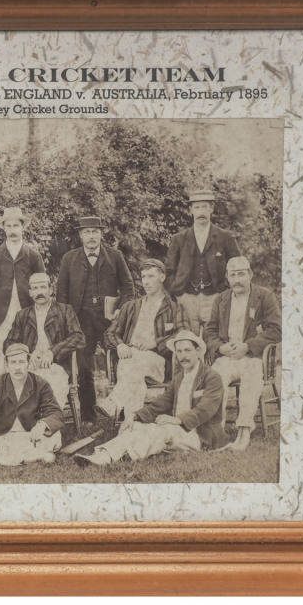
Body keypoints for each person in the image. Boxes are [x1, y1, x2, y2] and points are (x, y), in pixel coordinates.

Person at [74, 330, 227, 466]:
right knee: (138, 426)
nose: (183, 356)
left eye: (187, 350)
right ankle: (103, 455)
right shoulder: (180, 377)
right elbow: (162, 403)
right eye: (179, 351)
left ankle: (129, 456)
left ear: (198, 351)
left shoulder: (211, 377)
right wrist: (135, 415)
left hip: (200, 436)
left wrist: (178, 419)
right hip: (177, 431)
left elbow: (207, 409)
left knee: (162, 429)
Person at [56, 216, 135, 422]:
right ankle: (89, 415)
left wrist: (122, 311)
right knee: (84, 366)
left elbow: (128, 288)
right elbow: (62, 293)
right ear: (80, 235)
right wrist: (68, 319)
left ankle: (123, 410)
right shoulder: (69, 258)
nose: (91, 236)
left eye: (95, 232)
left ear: (101, 234)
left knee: (120, 362)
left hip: (110, 322)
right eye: (87, 232)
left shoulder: (115, 256)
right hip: (81, 321)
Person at [204, 256, 282, 451]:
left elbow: (276, 329)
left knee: (252, 375)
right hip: (226, 357)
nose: (237, 279)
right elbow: (210, 331)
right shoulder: (221, 299)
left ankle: (244, 429)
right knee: (214, 377)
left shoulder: (264, 296)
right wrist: (219, 348)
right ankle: (216, 429)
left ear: (250, 274)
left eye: (241, 274)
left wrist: (248, 346)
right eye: (233, 275)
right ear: (228, 278)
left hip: (252, 357)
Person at [99, 258, 189, 419]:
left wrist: (156, 343)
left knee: (134, 363)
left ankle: (113, 402)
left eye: (151, 277)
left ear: (162, 278)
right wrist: (120, 346)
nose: (146, 282)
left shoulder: (174, 308)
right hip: (130, 359)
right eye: (143, 277)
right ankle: (132, 425)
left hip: (157, 361)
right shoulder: (131, 307)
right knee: (135, 378)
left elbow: (183, 334)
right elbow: (109, 334)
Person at [0, 344, 65, 467]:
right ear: (6, 365)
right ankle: (33, 457)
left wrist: (42, 425)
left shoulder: (41, 384)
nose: (17, 367)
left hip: (29, 436)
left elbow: (56, 412)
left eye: (21, 362)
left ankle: (3, 460)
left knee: (55, 436)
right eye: (13, 362)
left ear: (28, 363)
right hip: (2, 436)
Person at [164, 189, 241, 336]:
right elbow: (169, 270)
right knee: (188, 340)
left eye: (205, 206)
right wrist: (178, 293)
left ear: (211, 209)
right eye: (197, 207)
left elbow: (237, 266)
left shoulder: (225, 237)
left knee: (214, 339)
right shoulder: (179, 239)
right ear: (190, 210)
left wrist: (225, 293)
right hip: (187, 298)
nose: (201, 211)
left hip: (215, 297)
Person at [3, 272, 85, 409]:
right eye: (35, 288)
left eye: (43, 287)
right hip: (30, 366)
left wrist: (52, 352)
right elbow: (9, 343)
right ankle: (27, 423)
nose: (39, 292)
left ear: (51, 290)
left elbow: (78, 337)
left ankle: (49, 425)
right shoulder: (22, 315)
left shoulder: (65, 310)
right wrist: (26, 355)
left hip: (58, 366)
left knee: (51, 388)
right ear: (30, 292)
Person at [0, 207, 45, 375]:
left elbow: (42, 287)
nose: (12, 230)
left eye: (16, 226)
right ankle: (3, 399)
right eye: (8, 226)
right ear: (3, 228)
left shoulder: (33, 256)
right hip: (2, 317)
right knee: (1, 360)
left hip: (28, 315)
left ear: (22, 227)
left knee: (29, 357)